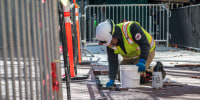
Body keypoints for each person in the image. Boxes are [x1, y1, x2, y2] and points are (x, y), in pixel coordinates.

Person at [96, 19, 157, 87]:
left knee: (134, 75)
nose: (111, 44)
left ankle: (155, 71)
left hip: (147, 51)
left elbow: (144, 44)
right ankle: (144, 70)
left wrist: (142, 61)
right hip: (130, 57)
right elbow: (113, 62)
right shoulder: (110, 43)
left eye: (111, 41)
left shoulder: (132, 28)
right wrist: (111, 79)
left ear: (115, 34)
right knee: (122, 76)